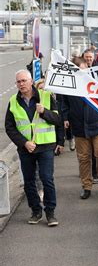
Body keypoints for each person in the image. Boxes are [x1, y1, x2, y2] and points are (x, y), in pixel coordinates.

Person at [5, 70, 61, 226]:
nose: (21, 84)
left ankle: (50, 212)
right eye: (18, 82)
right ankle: (36, 210)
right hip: (26, 148)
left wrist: (44, 112)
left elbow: (57, 120)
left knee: (47, 179)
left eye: (24, 81)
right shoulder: (13, 101)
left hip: (45, 146)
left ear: (31, 81)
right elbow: (10, 127)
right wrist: (24, 143)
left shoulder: (46, 96)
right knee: (29, 182)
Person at [62, 57, 98, 199]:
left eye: (83, 70)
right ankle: (86, 186)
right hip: (79, 127)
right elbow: (64, 103)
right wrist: (65, 117)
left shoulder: (96, 81)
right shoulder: (68, 85)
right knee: (83, 158)